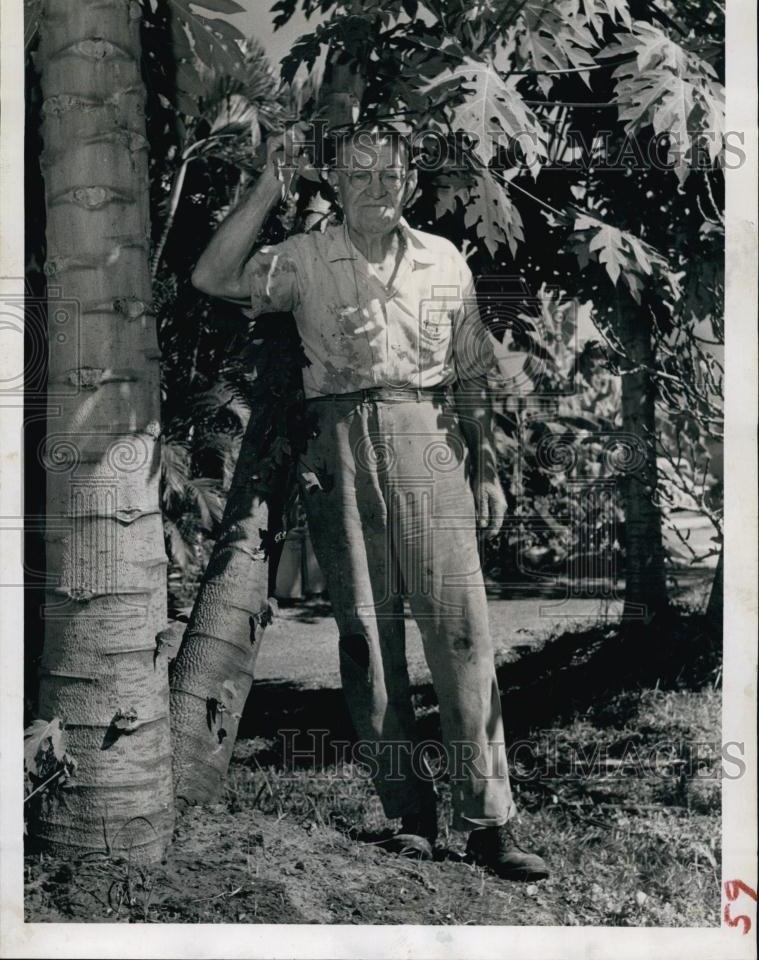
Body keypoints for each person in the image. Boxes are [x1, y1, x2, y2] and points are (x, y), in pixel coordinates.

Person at [191, 123, 549, 881]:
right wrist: (266, 186)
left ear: (410, 183)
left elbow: (473, 368)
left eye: (391, 173)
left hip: (426, 436)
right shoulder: (303, 259)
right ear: (336, 184)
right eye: (358, 174)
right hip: (338, 441)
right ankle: (408, 815)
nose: (377, 187)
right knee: (366, 635)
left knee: (461, 631)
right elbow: (210, 277)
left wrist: (486, 467)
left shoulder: (444, 259)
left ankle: (490, 824)